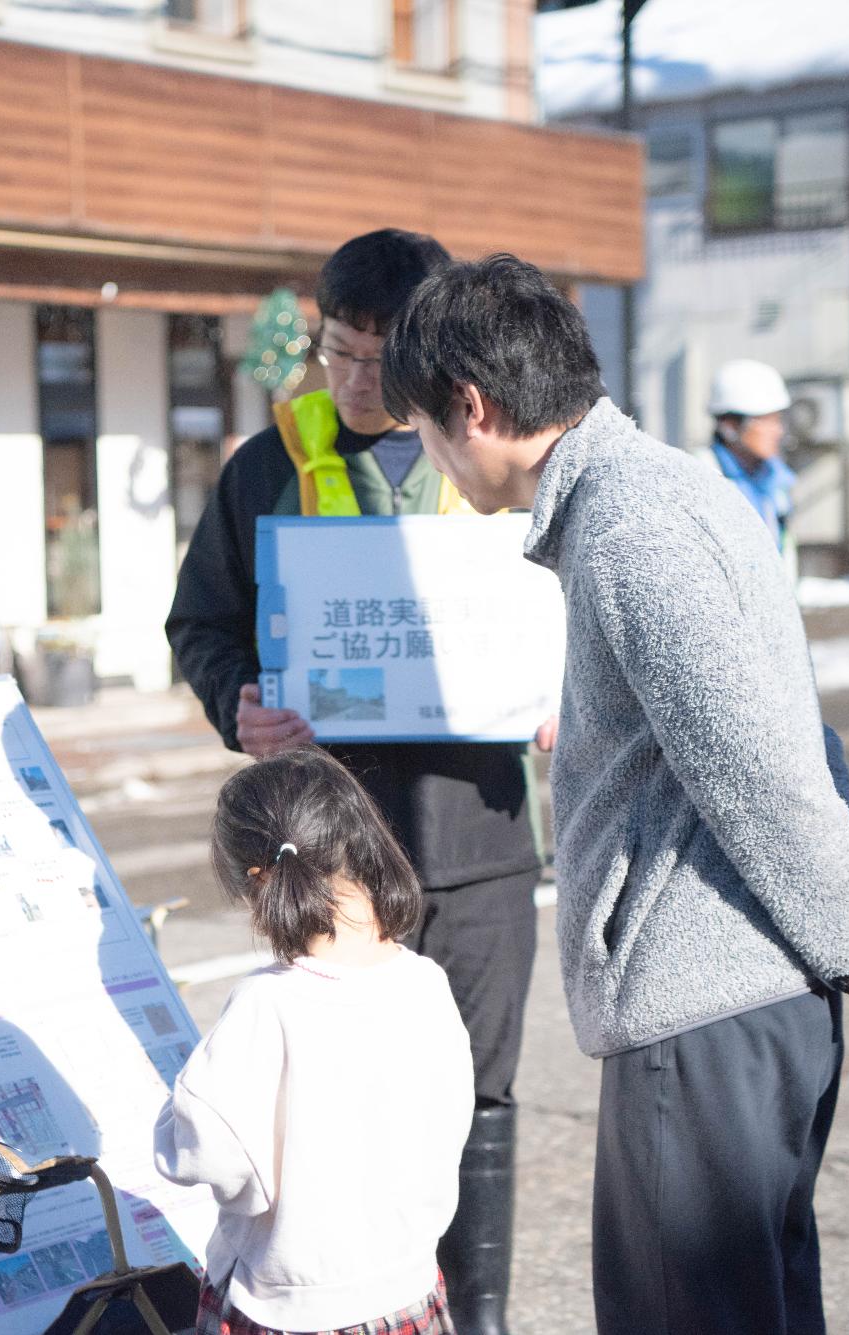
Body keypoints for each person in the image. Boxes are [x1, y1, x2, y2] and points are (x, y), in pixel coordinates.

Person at [380, 254, 849, 1335]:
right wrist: (845, 910)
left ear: (473, 409)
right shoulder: (668, 490)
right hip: (745, 998)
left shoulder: (630, 528)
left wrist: (845, 927)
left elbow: (755, 757)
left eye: (423, 428)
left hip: (704, 1006)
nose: (426, 454)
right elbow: (792, 717)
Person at [166, 229, 537, 1333]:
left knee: (476, 1096)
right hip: (324, 855)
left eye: (382, 362)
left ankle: (474, 1319)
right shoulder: (265, 466)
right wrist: (236, 698)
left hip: (473, 846)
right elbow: (200, 624)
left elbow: (571, 612)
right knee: (326, 1097)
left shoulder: (490, 455)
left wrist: (568, 694)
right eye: (337, 355)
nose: (357, 384)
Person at [155, 747, 471, 1335]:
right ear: (361, 842)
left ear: (254, 881)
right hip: (406, 1290)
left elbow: (206, 1152)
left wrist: (169, 1117)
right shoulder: (425, 981)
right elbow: (452, 1124)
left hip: (286, 1309)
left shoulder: (265, 1004)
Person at [705, 358, 798, 552]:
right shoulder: (703, 475)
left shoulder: (776, 479)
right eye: (766, 421)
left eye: (778, 420)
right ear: (729, 425)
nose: (778, 431)